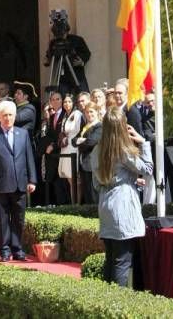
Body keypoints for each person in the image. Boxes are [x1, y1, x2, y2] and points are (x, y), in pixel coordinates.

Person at [91, 107, 153, 286]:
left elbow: (96, 183)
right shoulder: (122, 150)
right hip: (122, 206)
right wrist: (143, 143)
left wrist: (127, 181)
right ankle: (118, 306)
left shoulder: (97, 150)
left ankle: (108, 304)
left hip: (105, 203)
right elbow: (147, 169)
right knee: (122, 262)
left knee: (111, 260)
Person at [0, 99, 37, 261]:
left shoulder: (23, 134)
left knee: (19, 219)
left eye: (11, 115)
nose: (8, 118)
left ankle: (17, 249)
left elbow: (29, 157)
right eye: (5, 115)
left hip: (20, 183)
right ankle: (4, 250)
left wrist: (32, 180)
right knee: (2, 220)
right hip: (0, 184)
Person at [74, 102, 102, 204]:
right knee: (87, 192)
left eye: (91, 111)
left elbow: (92, 141)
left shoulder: (99, 126)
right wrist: (83, 140)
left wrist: (81, 141)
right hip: (84, 163)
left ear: (97, 112)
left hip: (93, 163)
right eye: (87, 112)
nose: (89, 114)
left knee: (93, 192)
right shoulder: (85, 127)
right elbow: (74, 140)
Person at [58, 92, 83, 203]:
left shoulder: (77, 114)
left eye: (69, 101)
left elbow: (79, 131)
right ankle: (73, 202)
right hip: (65, 147)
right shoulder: (64, 115)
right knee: (69, 178)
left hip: (73, 147)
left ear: (73, 103)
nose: (67, 104)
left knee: (75, 179)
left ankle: (77, 203)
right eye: (65, 102)